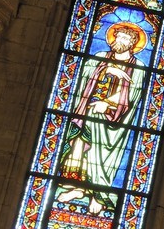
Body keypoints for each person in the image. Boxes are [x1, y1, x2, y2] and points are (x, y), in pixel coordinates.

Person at [56, 22, 147, 214]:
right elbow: (84, 80)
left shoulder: (138, 67)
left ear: (133, 43)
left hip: (113, 121)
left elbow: (132, 95)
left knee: (100, 155)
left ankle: (97, 194)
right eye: (118, 36)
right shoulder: (99, 58)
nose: (119, 40)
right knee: (79, 143)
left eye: (125, 38)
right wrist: (107, 71)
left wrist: (109, 104)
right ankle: (78, 187)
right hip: (88, 110)